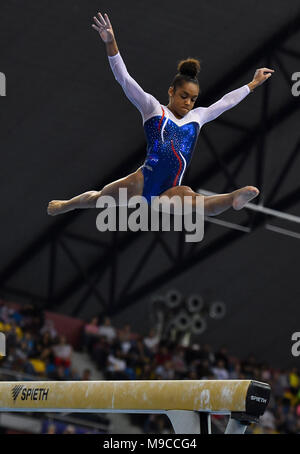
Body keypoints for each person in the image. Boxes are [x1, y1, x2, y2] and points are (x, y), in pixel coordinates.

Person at [47, 12, 274, 217]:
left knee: (199, 205)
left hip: (171, 188)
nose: (188, 102)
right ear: (171, 92)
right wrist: (111, 42)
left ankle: (233, 198)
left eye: (193, 99)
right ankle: (67, 204)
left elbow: (226, 102)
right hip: (143, 181)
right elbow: (124, 79)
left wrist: (252, 84)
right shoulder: (153, 109)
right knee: (99, 199)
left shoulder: (198, 117)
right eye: (184, 96)